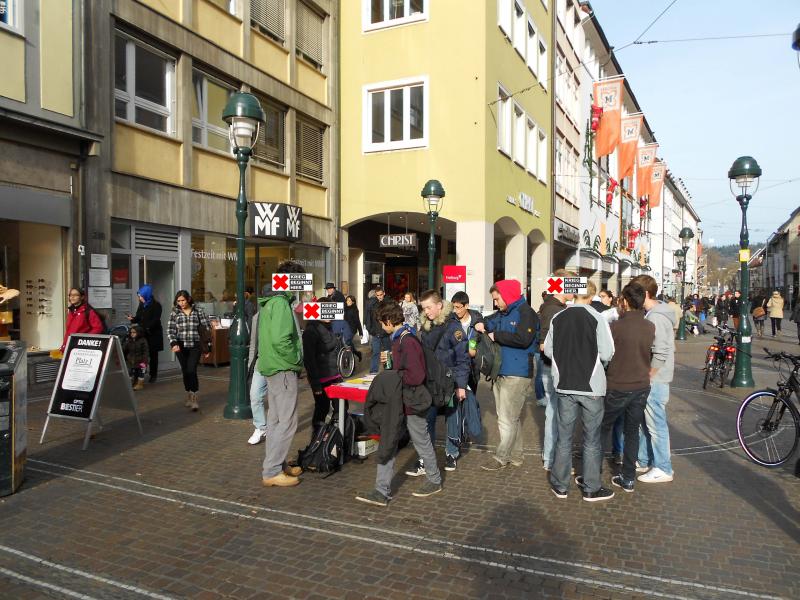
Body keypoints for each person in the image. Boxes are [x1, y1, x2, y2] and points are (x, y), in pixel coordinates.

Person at [356, 303, 442, 506]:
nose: (381, 328)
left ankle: (434, 479)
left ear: (387, 322)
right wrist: (394, 361)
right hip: (400, 400)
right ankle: (381, 489)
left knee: (420, 441)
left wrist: (393, 374)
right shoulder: (400, 339)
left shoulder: (407, 341)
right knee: (389, 440)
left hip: (410, 401)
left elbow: (416, 375)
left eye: (381, 323)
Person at [544, 280, 615, 502]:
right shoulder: (597, 318)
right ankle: (591, 487)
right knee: (591, 438)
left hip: (564, 384)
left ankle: (560, 484)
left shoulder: (558, 318)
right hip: (591, 385)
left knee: (563, 437)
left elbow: (548, 349)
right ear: (592, 296)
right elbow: (607, 353)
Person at [475, 279, 538, 471]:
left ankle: (501, 457)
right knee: (510, 418)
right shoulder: (503, 312)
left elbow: (524, 339)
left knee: (506, 419)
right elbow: (487, 321)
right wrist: (481, 323)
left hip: (517, 373)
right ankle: (517, 456)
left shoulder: (526, 313)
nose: (495, 303)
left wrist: (497, 336)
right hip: (500, 371)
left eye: (497, 299)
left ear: (508, 295)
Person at [405, 290, 469, 475]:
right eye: (423, 308)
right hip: (430, 382)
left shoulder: (453, 327)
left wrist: (461, 386)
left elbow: (463, 358)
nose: (426, 311)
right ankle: (426, 458)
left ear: (439, 305)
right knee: (427, 420)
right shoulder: (424, 327)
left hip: (449, 381)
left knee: (451, 418)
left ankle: (451, 453)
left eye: (429, 307)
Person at [601, 283, 654, 493]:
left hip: (617, 384)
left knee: (601, 429)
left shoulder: (615, 327)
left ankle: (591, 473)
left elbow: (605, 355)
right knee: (632, 432)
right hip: (641, 385)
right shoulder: (650, 327)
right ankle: (628, 477)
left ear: (624, 302)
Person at [258, 260, 305, 488]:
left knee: (276, 420)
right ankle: (272, 469)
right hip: (283, 367)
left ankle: (277, 464)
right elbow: (281, 339)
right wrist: (295, 358)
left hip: (272, 366)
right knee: (287, 421)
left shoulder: (271, 302)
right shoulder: (280, 304)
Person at [632, 274, 677, 484]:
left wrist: (651, 372)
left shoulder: (656, 316)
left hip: (655, 379)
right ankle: (644, 459)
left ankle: (663, 467)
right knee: (646, 421)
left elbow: (661, 349)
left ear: (646, 293)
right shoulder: (654, 313)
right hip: (653, 376)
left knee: (656, 424)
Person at [537, 270, 573, 471]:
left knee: (556, 412)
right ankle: (551, 458)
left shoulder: (555, 306)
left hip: (553, 366)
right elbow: (543, 344)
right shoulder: (553, 309)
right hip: (553, 367)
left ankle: (552, 457)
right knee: (555, 412)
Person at [303, 297, 344, 439]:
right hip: (321, 379)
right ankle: (317, 438)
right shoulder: (311, 330)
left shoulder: (331, 326)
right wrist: (315, 384)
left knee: (341, 408)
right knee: (322, 408)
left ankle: (335, 437)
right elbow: (309, 359)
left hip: (335, 375)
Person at [167, 290, 211, 411]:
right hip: (180, 347)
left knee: (192, 370)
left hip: (195, 346)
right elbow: (170, 330)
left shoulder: (198, 311)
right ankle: (188, 393)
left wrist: (207, 347)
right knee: (185, 371)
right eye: (179, 301)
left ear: (188, 299)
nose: (181, 303)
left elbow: (206, 329)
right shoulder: (175, 313)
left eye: (183, 300)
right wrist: (174, 343)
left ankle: (194, 397)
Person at [451, 291, 485, 444]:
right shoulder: (451, 320)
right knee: (457, 400)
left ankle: (467, 431)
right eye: (454, 307)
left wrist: (473, 348)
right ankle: (457, 432)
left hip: (472, 368)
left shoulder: (477, 319)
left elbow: (480, 340)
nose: (456, 311)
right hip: (457, 368)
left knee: (469, 400)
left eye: (458, 307)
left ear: (466, 306)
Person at [246, 283, 270, 445]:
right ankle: (261, 427)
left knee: (278, 399)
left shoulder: (285, 313)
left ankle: (278, 427)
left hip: (280, 364)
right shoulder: (257, 317)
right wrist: (251, 363)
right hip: (261, 363)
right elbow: (254, 343)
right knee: (255, 395)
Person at [128, 285, 163, 383]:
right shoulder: (141, 304)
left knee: (153, 355)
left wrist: (146, 328)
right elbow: (138, 317)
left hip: (153, 334)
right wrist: (133, 319)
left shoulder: (156, 305)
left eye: (141, 296)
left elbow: (155, 320)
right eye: (139, 296)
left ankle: (153, 375)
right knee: (141, 355)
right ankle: (139, 375)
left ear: (147, 295)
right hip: (142, 333)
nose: (140, 298)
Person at [364, 287, 394, 374]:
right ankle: (373, 371)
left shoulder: (389, 303)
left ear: (384, 293)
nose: (380, 297)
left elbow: (392, 316)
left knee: (387, 352)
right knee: (376, 352)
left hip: (386, 332)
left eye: (381, 295)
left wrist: (390, 329)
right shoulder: (372, 303)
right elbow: (368, 317)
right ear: (375, 295)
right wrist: (370, 329)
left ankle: (388, 370)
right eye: (378, 295)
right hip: (375, 331)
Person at [123, 325, 150, 391]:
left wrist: (144, 361)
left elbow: (145, 352)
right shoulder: (129, 340)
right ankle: (130, 383)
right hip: (131, 360)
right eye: (131, 332)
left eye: (134, 332)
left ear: (138, 332)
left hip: (141, 360)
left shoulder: (143, 341)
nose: (132, 334)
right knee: (131, 372)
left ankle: (140, 384)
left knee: (141, 372)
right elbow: (124, 349)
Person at [344, 295, 364, 361]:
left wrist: (360, 332)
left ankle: (350, 359)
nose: (348, 302)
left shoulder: (354, 309)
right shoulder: (344, 308)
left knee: (346, 342)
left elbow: (357, 321)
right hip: (344, 328)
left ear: (353, 302)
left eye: (350, 301)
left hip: (352, 329)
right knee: (349, 343)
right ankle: (357, 353)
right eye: (347, 300)